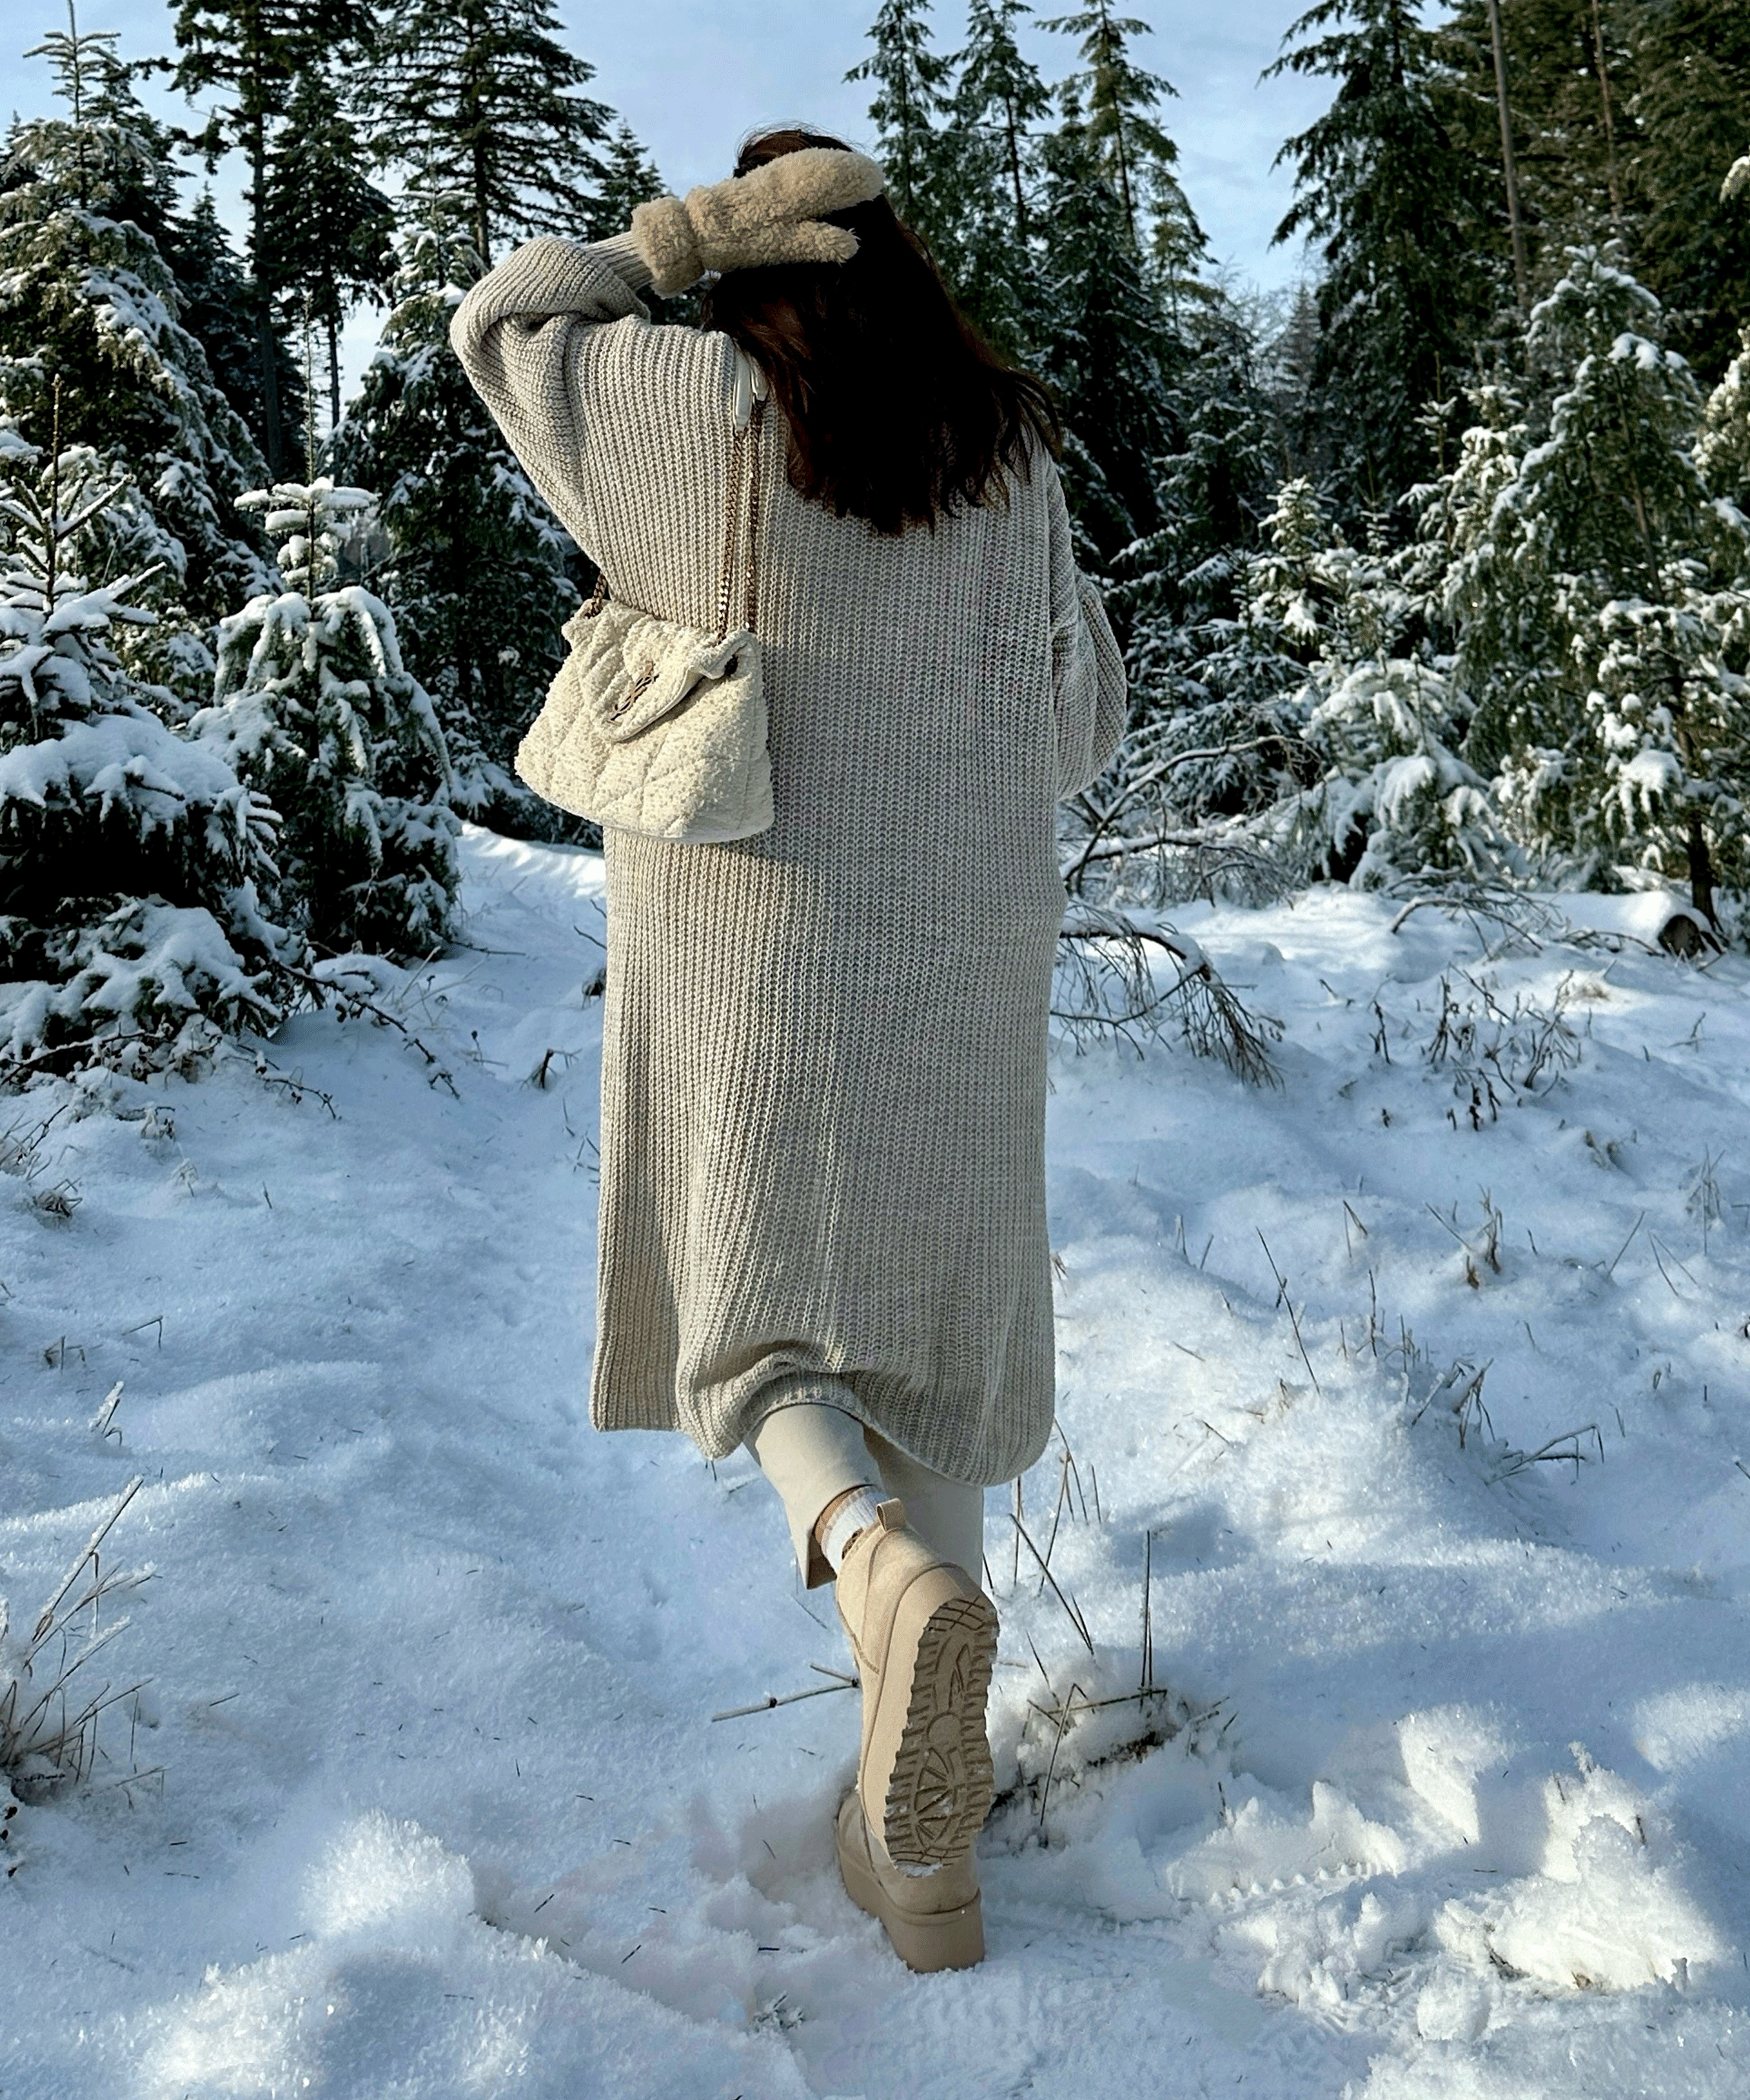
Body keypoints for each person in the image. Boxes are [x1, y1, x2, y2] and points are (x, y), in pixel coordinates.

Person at [452, 126, 1126, 1972]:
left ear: (766, 263)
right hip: (966, 935)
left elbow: (504, 322)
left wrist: (680, 236)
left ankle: (869, 1566)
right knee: (934, 1333)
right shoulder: (1009, 447)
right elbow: (1076, 719)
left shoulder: (699, 408)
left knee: (760, 1321)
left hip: (750, 916)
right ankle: (928, 1865)